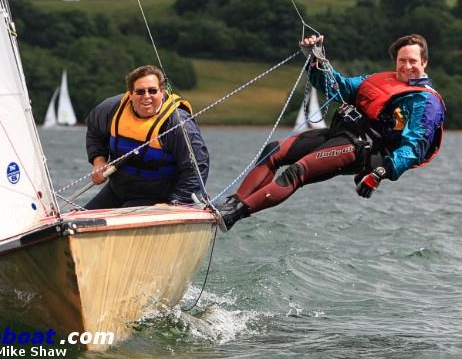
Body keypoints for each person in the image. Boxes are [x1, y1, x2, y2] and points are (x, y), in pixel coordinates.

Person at [217, 34, 446, 230]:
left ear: (424, 62)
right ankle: (232, 203)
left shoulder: (425, 102)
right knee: (274, 151)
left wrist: (379, 174)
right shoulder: (380, 80)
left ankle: (234, 216)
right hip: (340, 134)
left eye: (413, 61)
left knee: (296, 172)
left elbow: (414, 147)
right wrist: (316, 61)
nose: (407, 66)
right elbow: (339, 87)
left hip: (363, 151)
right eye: (402, 60)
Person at [84, 65, 209, 209]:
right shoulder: (111, 109)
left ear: (162, 92)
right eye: (140, 92)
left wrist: (176, 203)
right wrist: (98, 161)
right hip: (117, 190)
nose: (147, 96)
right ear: (130, 94)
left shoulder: (178, 123)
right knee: (75, 221)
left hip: (159, 197)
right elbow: (94, 131)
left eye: (153, 91)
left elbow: (197, 166)